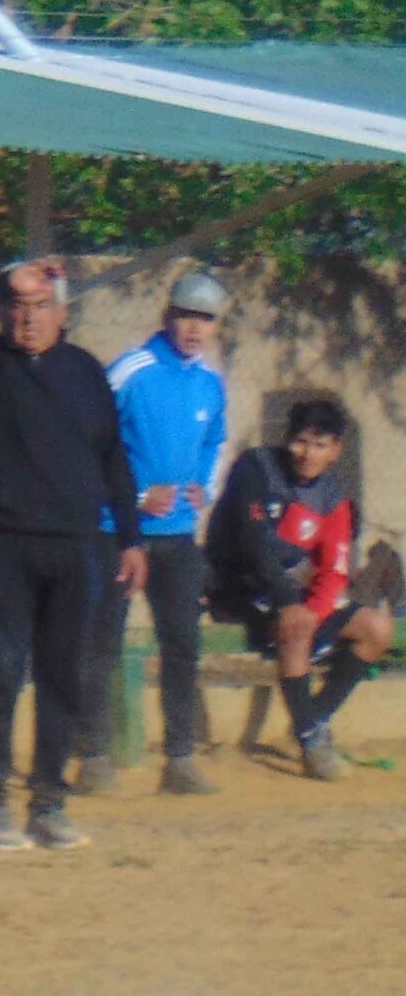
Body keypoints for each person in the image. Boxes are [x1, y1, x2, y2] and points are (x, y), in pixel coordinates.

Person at [0, 258, 144, 850]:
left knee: (62, 677)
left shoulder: (85, 372)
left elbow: (112, 457)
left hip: (76, 545)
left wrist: (130, 537)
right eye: (18, 309)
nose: (28, 320)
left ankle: (49, 803)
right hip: (6, 542)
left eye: (41, 307)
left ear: (63, 313)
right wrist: (5, 281)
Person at [78, 272, 231, 796]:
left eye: (206, 319)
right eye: (187, 316)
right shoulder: (130, 371)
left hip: (179, 536)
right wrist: (137, 497)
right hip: (117, 532)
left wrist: (202, 489)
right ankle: (94, 757)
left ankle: (180, 759)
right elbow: (88, 442)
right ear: (167, 317)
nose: (194, 328)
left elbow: (215, 442)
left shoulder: (211, 384)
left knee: (183, 643)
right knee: (102, 641)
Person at [207, 399, 392, 780]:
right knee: (297, 624)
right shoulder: (256, 468)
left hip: (292, 592)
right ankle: (312, 742)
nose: (307, 454)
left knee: (377, 629)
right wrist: (292, 603)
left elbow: (334, 569)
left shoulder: (332, 498)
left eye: (320, 445)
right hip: (241, 586)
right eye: (301, 442)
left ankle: (311, 719)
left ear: (336, 451)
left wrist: (315, 608)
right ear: (287, 440)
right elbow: (253, 542)